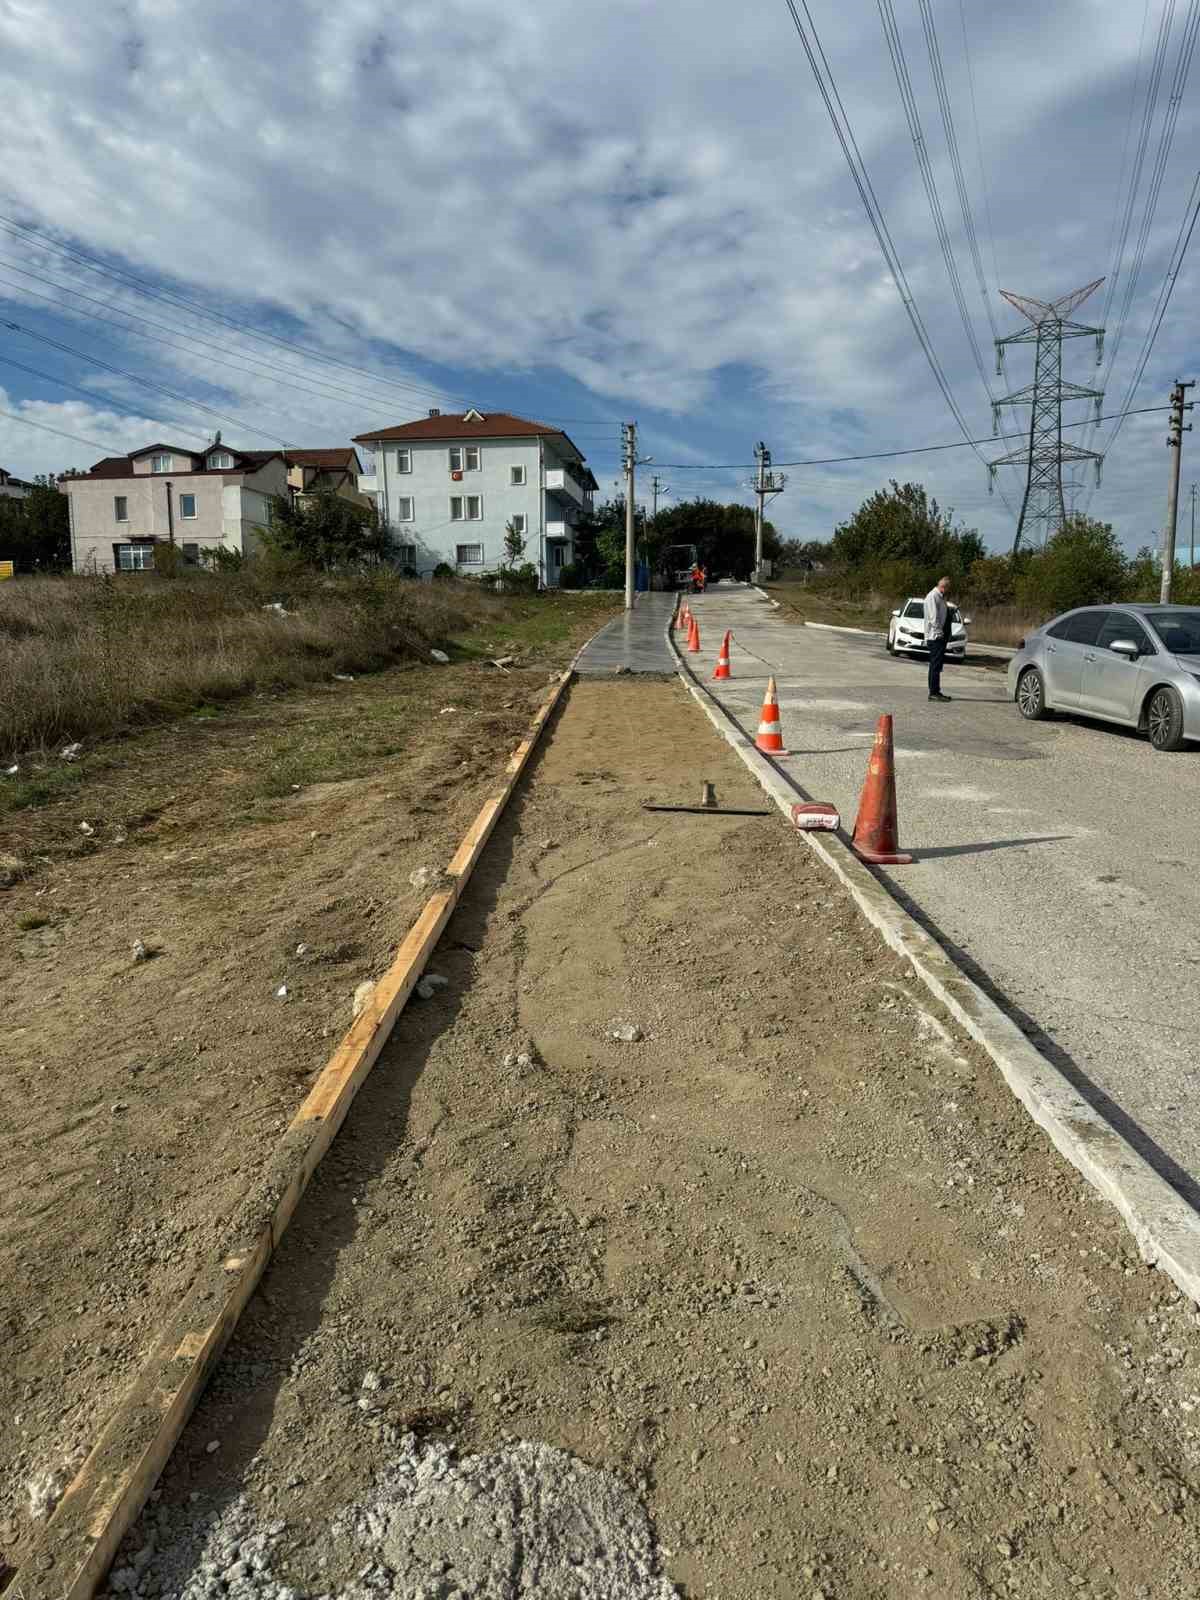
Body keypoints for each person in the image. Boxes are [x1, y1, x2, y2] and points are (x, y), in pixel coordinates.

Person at [924, 575, 952, 702]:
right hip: (935, 637)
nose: (948, 591)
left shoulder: (939, 597)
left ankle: (936, 691)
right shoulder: (933, 596)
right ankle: (933, 692)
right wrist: (939, 633)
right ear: (943, 587)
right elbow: (933, 618)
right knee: (935, 665)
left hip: (938, 636)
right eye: (948, 589)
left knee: (937, 665)